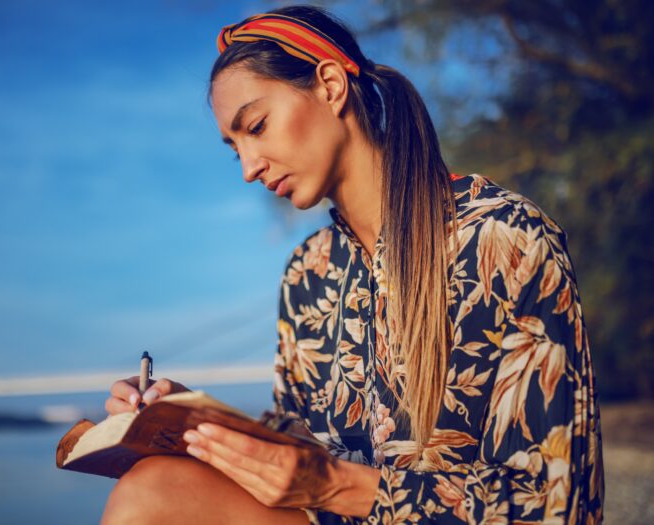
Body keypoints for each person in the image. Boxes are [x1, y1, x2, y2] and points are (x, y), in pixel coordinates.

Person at [100, 5, 605, 524]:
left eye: (257, 126)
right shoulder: (306, 275)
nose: (249, 168)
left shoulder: (503, 239)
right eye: (235, 150)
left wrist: (339, 486)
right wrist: (190, 421)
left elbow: (553, 500)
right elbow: (296, 444)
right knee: (151, 489)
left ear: (331, 85)